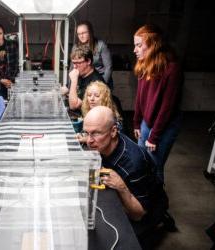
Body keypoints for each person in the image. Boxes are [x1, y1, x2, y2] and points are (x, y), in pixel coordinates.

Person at [83, 106, 168, 243]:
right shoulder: (103, 143)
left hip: (148, 210)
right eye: (86, 133)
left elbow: (138, 214)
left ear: (113, 131)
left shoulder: (134, 164)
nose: (89, 141)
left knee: (112, 238)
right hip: (128, 194)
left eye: (95, 133)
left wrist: (121, 187)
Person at [133, 24, 183, 183]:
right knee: (141, 163)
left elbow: (167, 108)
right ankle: (141, 202)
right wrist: (136, 123)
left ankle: (157, 206)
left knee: (154, 168)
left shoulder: (172, 69)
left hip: (164, 125)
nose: (135, 50)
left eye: (139, 45)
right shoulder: (144, 64)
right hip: (146, 122)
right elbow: (140, 97)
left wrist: (154, 137)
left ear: (153, 45)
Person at [72, 20, 113, 89]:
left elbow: (108, 68)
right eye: (79, 34)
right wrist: (70, 86)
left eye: (84, 33)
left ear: (90, 32)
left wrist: (101, 86)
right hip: (85, 80)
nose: (81, 36)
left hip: (101, 79)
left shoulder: (101, 45)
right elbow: (72, 68)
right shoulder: (76, 47)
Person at [68, 45, 105, 111]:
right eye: (74, 63)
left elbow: (73, 105)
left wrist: (73, 81)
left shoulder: (96, 82)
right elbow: (66, 88)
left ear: (88, 61)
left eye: (78, 63)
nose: (74, 67)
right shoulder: (81, 74)